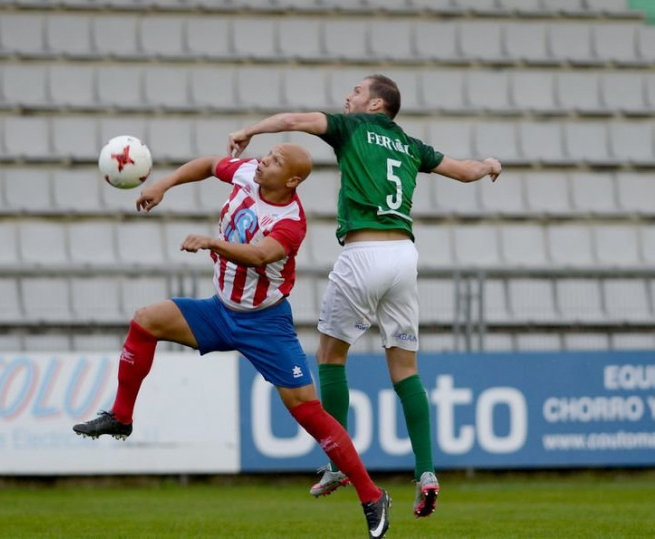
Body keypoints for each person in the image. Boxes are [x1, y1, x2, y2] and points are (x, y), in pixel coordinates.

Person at [73, 143, 392, 538]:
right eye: (267, 155)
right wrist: (164, 185)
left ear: (292, 180)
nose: (263, 162)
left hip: (265, 323)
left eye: (274, 162)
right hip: (220, 311)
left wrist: (212, 243)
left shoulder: (291, 221)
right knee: (145, 322)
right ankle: (121, 417)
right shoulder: (246, 173)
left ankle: (372, 496)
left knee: (308, 411)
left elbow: (259, 256)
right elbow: (208, 164)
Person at [228, 74, 502, 518]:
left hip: (363, 251)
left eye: (356, 92)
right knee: (406, 368)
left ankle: (338, 463)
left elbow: (295, 120)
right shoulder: (412, 146)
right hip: (404, 256)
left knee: (332, 357)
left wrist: (251, 130)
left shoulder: (351, 127)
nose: (347, 97)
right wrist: (489, 163)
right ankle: (427, 472)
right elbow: (466, 172)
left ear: (376, 105)